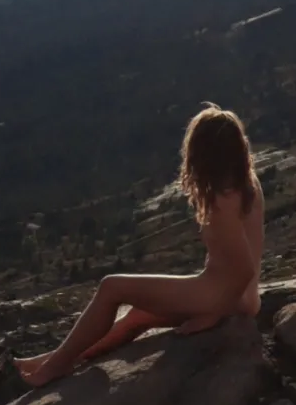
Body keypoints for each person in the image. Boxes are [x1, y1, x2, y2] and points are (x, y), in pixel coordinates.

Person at [15, 103, 265, 387]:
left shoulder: (222, 198)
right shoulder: (247, 184)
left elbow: (243, 268)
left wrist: (212, 316)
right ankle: (53, 359)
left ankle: (55, 368)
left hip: (222, 297)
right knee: (137, 316)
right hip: (238, 296)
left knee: (112, 287)